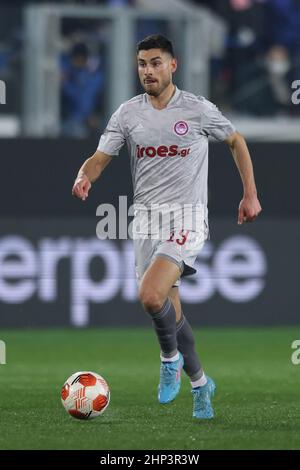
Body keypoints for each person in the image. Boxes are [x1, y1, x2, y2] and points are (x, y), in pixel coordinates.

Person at [72, 34, 262, 419]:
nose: (148, 70)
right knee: (169, 310)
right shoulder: (127, 114)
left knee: (150, 295)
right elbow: (100, 158)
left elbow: (236, 140)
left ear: (172, 65)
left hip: (187, 218)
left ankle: (168, 359)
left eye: (156, 63)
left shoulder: (196, 109)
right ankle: (200, 385)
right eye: (142, 63)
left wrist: (250, 194)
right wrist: (83, 175)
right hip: (146, 220)